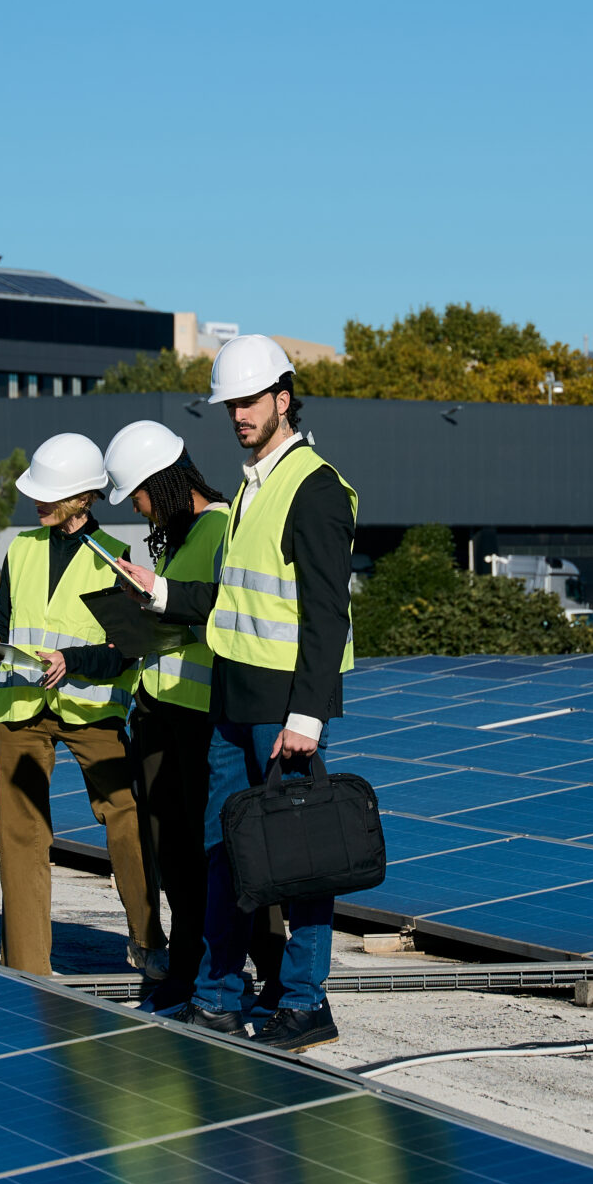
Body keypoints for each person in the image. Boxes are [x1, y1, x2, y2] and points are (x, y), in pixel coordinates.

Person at [117, 335, 356, 1054]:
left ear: (284, 398)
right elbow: (236, 596)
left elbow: (324, 612)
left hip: (284, 710)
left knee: (299, 861)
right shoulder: (253, 483)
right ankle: (217, 1000)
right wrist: (160, 592)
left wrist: (307, 717)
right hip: (232, 701)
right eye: (231, 406)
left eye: (249, 401)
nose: (238, 415)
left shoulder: (313, 486)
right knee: (224, 853)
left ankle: (305, 1004)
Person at [41, 420, 227, 1011]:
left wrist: (157, 603)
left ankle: (208, 975)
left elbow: (217, 612)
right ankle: (183, 969)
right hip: (157, 709)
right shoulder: (181, 534)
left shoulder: (221, 529)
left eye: (140, 496)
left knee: (201, 855)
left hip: (198, 717)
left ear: (165, 482)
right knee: (168, 852)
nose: (140, 511)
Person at [0, 431, 159, 980]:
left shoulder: (118, 560)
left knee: (126, 822)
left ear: (84, 496)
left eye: (49, 493)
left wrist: (73, 661)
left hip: (92, 713)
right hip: (20, 708)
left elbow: (128, 652)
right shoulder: (21, 548)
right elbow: (5, 621)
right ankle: (29, 965)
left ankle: (149, 941)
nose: (36, 501)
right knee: (22, 835)